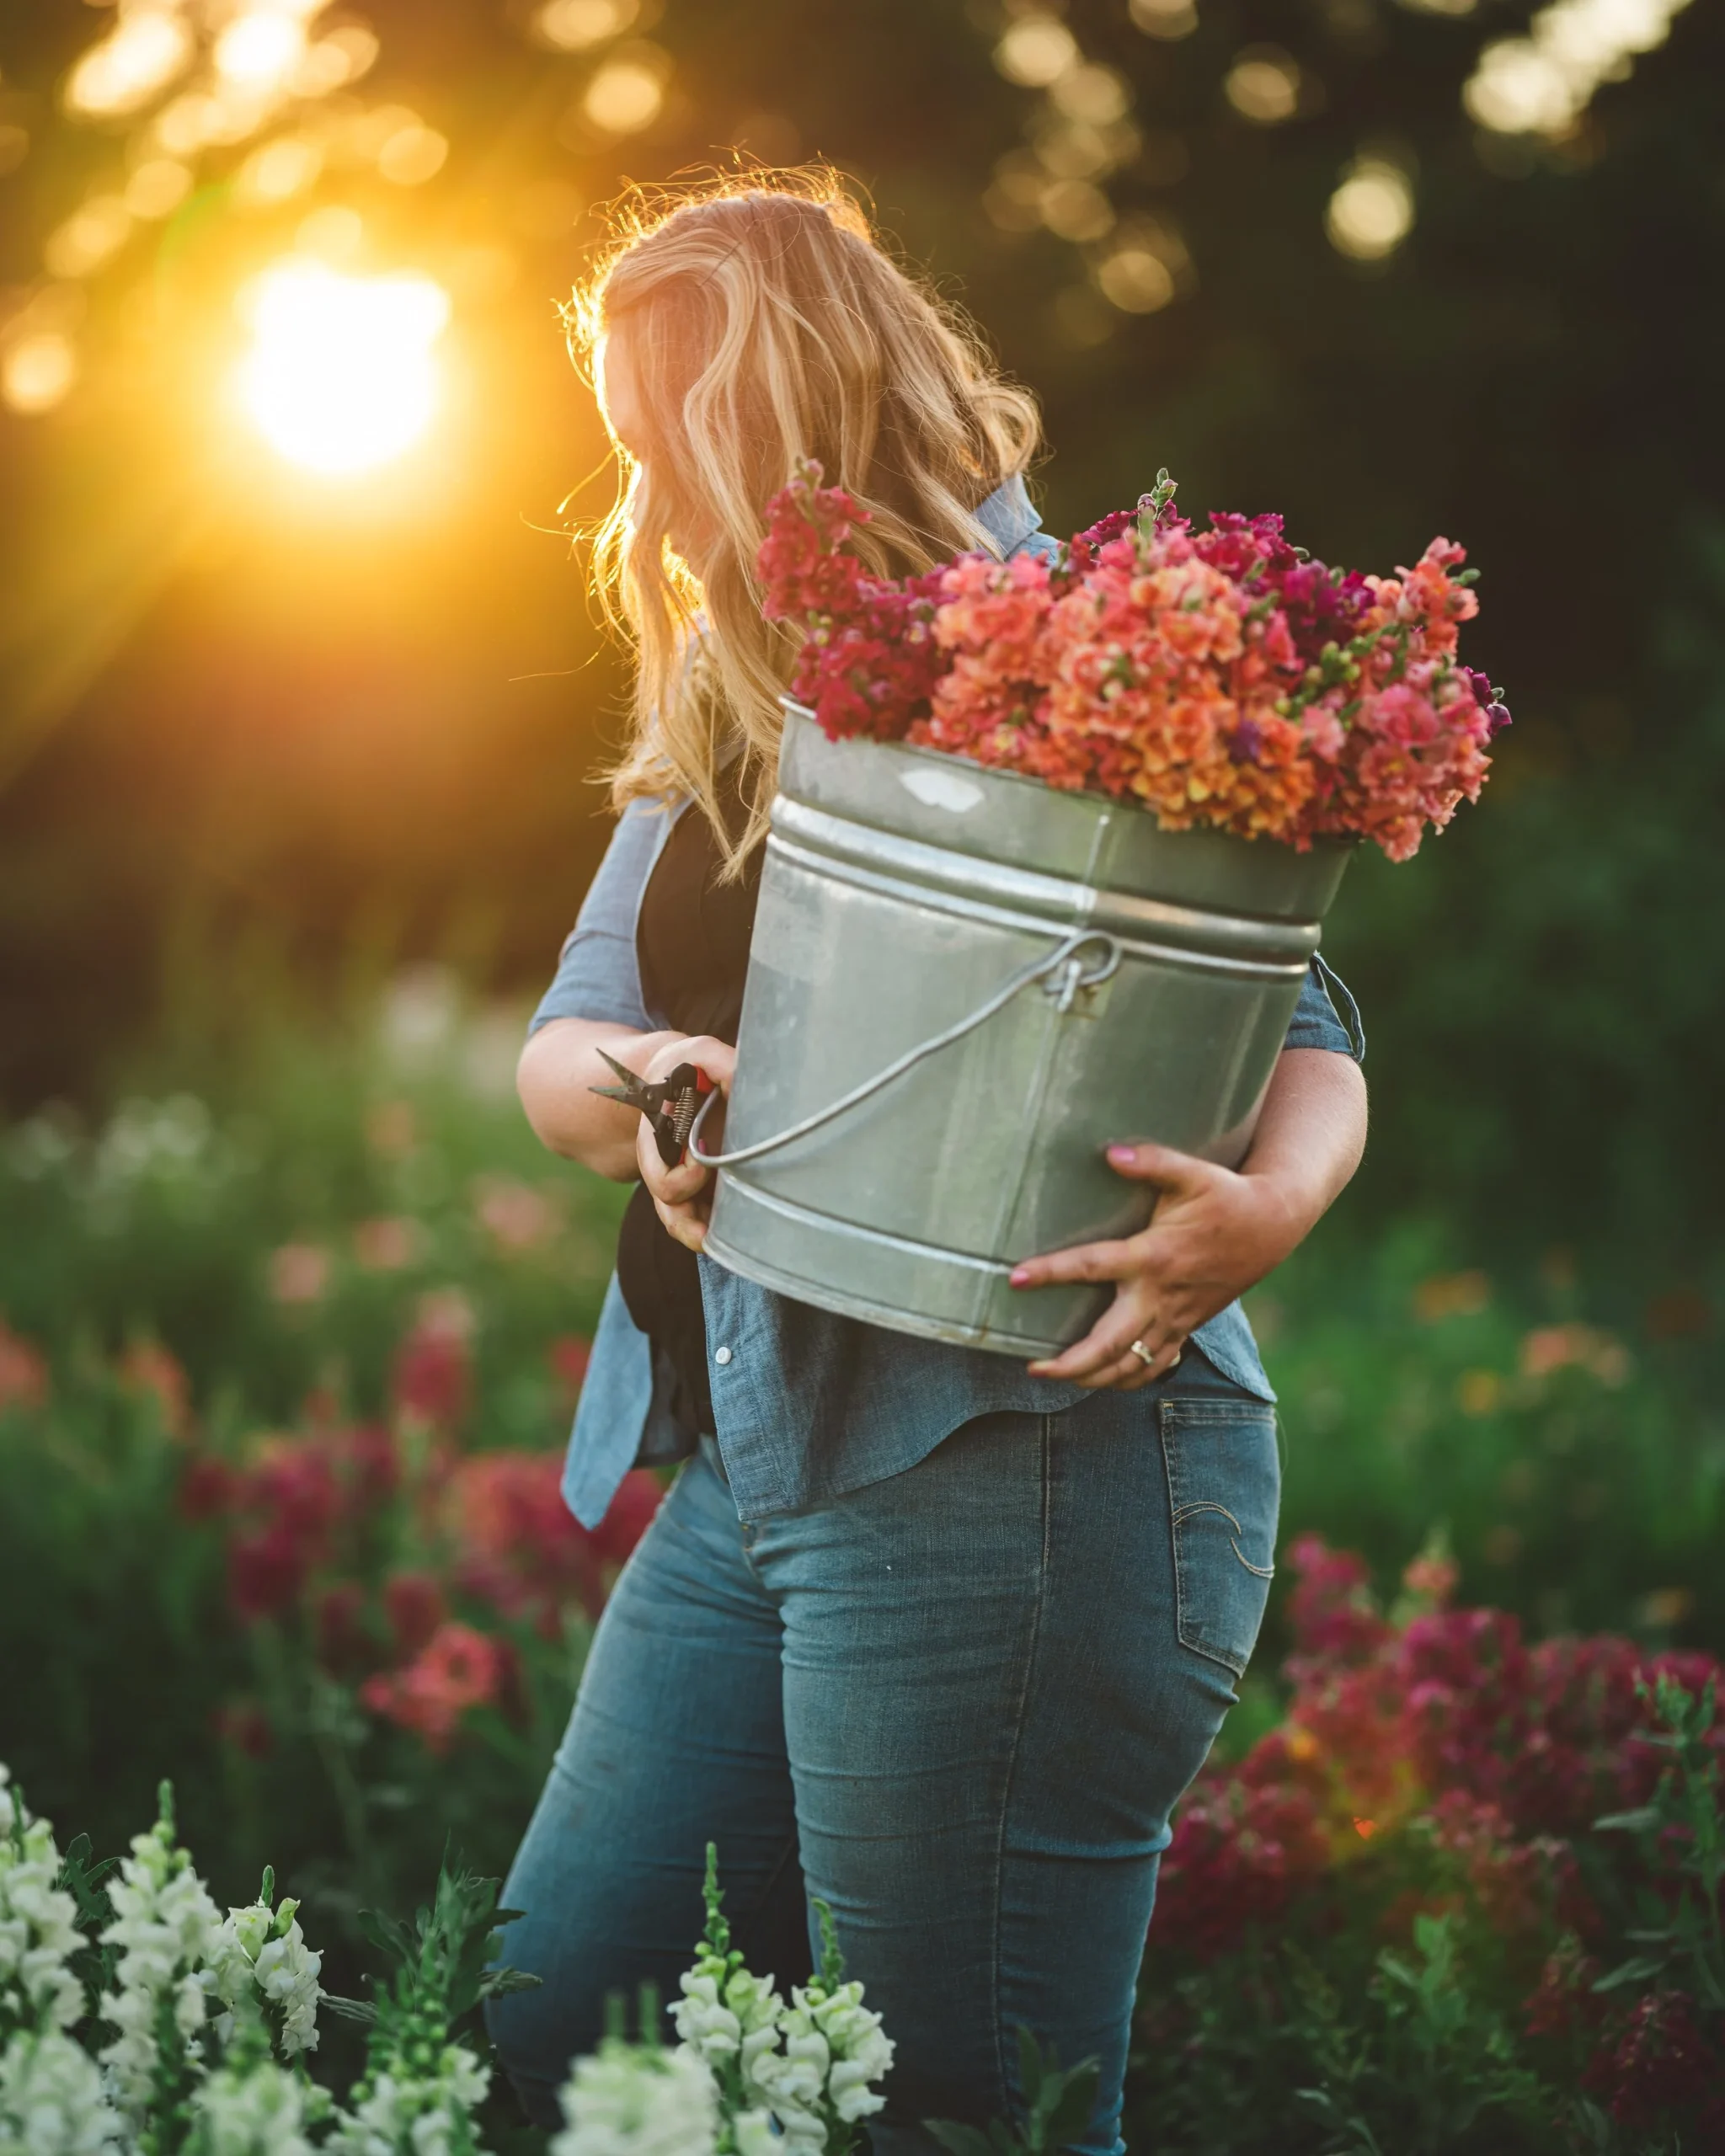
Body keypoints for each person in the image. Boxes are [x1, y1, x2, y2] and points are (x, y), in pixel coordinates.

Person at [489, 170, 1368, 2156]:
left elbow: (1302, 1023)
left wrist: (1263, 1211)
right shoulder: (734, 684)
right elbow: (561, 1038)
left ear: (806, 426)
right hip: (759, 1470)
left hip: (1024, 1465)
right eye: (634, 462)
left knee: (963, 2113)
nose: (662, 514)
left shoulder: (1079, 657)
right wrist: (651, 1086)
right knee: (559, 2028)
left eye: (688, 455)